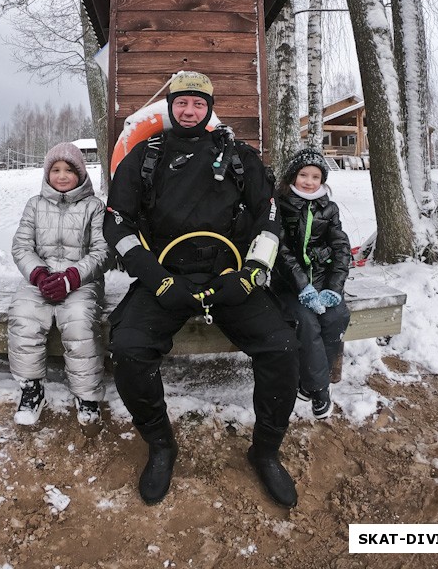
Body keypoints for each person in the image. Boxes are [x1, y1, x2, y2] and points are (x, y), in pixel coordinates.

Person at [103, 71, 300, 508]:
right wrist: (157, 279)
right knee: (130, 349)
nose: (188, 110)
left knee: (283, 348)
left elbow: (270, 220)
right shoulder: (144, 157)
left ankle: (266, 451)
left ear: (209, 109)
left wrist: (251, 273)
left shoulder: (237, 156)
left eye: (197, 103)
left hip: (229, 278)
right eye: (181, 103)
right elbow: (116, 223)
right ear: (170, 107)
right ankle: (160, 445)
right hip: (165, 278)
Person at [8, 142, 111, 427]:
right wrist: (40, 275)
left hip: (81, 280)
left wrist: (72, 278)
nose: (62, 176)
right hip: (39, 279)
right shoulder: (35, 204)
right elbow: (21, 247)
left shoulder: (94, 207)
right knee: (23, 317)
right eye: (55, 170)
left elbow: (102, 251)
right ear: (47, 173)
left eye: (69, 170)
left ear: (80, 174)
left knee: (79, 322)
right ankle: (32, 389)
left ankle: (87, 395)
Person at [272, 148, 351, 419]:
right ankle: (320, 390)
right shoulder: (280, 204)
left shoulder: (328, 207)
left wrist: (333, 288)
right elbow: (279, 250)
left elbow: (340, 247)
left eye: (315, 176)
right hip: (289, 285)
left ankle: (307, 384)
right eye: (303, 175)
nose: (309, 181)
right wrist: (302, 286)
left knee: (337, 317)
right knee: (306, 322)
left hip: (322, 282)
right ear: (292, 177)